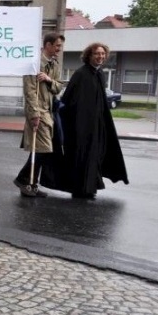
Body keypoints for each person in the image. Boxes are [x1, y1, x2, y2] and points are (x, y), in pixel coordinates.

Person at [46, 43, 129, 199]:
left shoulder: (99, 74)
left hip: (95, 125)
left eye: (103, 54)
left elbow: (100, 101)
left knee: (94, 156)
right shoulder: (81, 74)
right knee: (81, 156)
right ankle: (79, 189)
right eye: (97, 54)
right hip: (80, 126)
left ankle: (90, 187)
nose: (100, 57)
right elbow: (69, 100)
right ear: (89, 56)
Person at [14, 33, 64, 197]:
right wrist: (34, 114)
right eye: (57, 45)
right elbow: (29, 91)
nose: (59, 49)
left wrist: (49, 80)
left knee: (41, 149)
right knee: (43, 149)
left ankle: (30, 183)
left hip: (49, 112)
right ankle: (24, 179)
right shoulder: (33, 65)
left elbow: (58, 88)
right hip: (38, 111)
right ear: (48, 45)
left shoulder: (54, 64)